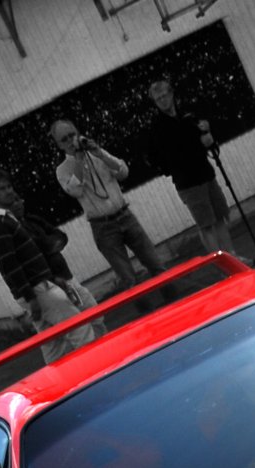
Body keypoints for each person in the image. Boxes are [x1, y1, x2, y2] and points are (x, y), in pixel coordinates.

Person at [0, 169, 102, 363]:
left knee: (53, 344)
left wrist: (52, 279)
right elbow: (9, 265)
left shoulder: (8, 219)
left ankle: (59, 386)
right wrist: (31, 297)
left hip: (41, 285)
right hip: (37, 290)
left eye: (9, 186)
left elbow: (30, 256)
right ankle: (98, 370)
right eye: (2, 189)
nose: (9, 192)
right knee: (79, 328)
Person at [51, 119, 166, 301]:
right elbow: (75, 190)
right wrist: (79, 161)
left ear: (78, 132)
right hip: (103, 227)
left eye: (72, 135)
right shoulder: (62, 170)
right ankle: (148, 320)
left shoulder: (96, 152)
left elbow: (123, 172)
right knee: (129, 279)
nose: (70, 141)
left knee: (155, 263)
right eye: (64, 139)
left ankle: (178, 301)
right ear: (59, 145)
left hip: (125, 215)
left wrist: (99, 153)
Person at [142, 78, 231, 256]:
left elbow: (205, 141)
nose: (163, 100)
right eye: (158, 99)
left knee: (220, 217)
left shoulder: (188, 116)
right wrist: (171, 169)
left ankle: (234, 257)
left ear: (172, 93)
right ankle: (224, 267)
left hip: (207, 174)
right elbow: (152, 158)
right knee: (206, 225)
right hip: (189, 183)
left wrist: (207, 132)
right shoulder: (158, 128)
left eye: (165, 95)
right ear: (155, 102)